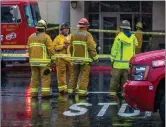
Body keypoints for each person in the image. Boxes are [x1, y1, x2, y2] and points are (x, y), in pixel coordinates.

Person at [68, 18, 98, 97]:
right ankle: (82, 92)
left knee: (74, 75)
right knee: (84, 76)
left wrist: (72, 56)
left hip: (75, 60)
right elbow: (91, 47)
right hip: (85, 60)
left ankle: (71, 91)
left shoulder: (73, 35)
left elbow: (71, 47)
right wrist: (95, 57)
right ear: (86, 26)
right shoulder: (88, 35)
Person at [109, 20, 138, 100]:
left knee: (115, 80)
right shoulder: (133, 37)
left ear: (122, 28)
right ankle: (123, 94)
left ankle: (112, 95)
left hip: (118, 64)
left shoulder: (119, 37)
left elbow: (114, 50)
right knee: (125, 81)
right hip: (128, 65)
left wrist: (112, 59)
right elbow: (136, 45)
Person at [28, 19, 54, 98]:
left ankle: (34, 94)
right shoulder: (46, 37)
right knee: (45, 77)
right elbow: (50, 49)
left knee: (34, 78)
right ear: (45, 27)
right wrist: (54, 59)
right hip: (43, 63)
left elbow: (29, 49)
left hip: (33, 62)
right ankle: (45, 94)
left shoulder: (31, 37)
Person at [52, 22, 71, 94]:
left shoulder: (71, 37)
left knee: (72, 74)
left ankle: (72, 87)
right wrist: (62, 46)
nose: (66, 30)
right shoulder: (58, 38)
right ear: (62, 30)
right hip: (61, 59)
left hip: (70, 58)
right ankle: (62, 89)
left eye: (67, 29)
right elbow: (54, 48)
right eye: (65, 29)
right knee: (61, 74)